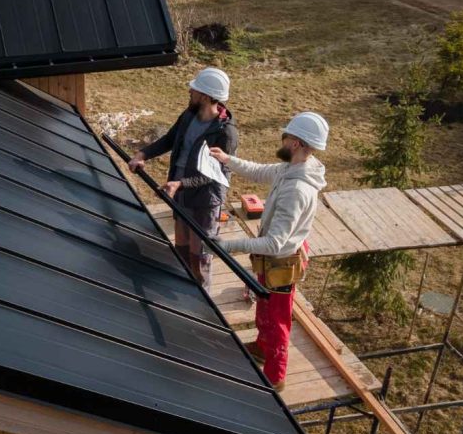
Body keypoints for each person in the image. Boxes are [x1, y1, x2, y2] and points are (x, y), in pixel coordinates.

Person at [208, 112, 329, 391]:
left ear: (296, 143)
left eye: (285, 136)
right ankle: (262, 349)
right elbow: (262, 171)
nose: (282, 139)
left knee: (277, 321)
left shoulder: (297, 189)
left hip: (281, 262)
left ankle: (275, 377)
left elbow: (275, 243)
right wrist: (228, 160)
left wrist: (229, 246)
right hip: (273, 261)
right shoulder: (293, 167)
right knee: (265, 308)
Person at [129, 68, 238, 291]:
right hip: (180, 194)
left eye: (194, 89)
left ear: (206, 97)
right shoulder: (189, 116)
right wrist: (143, 154)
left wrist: (181, 184)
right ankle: (184, 292)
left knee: (200, 257)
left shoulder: (225, 134)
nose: (190, 90)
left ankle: (204, 304)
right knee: (181, 250)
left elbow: (213, 174)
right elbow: (170, 139)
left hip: (204, 201)